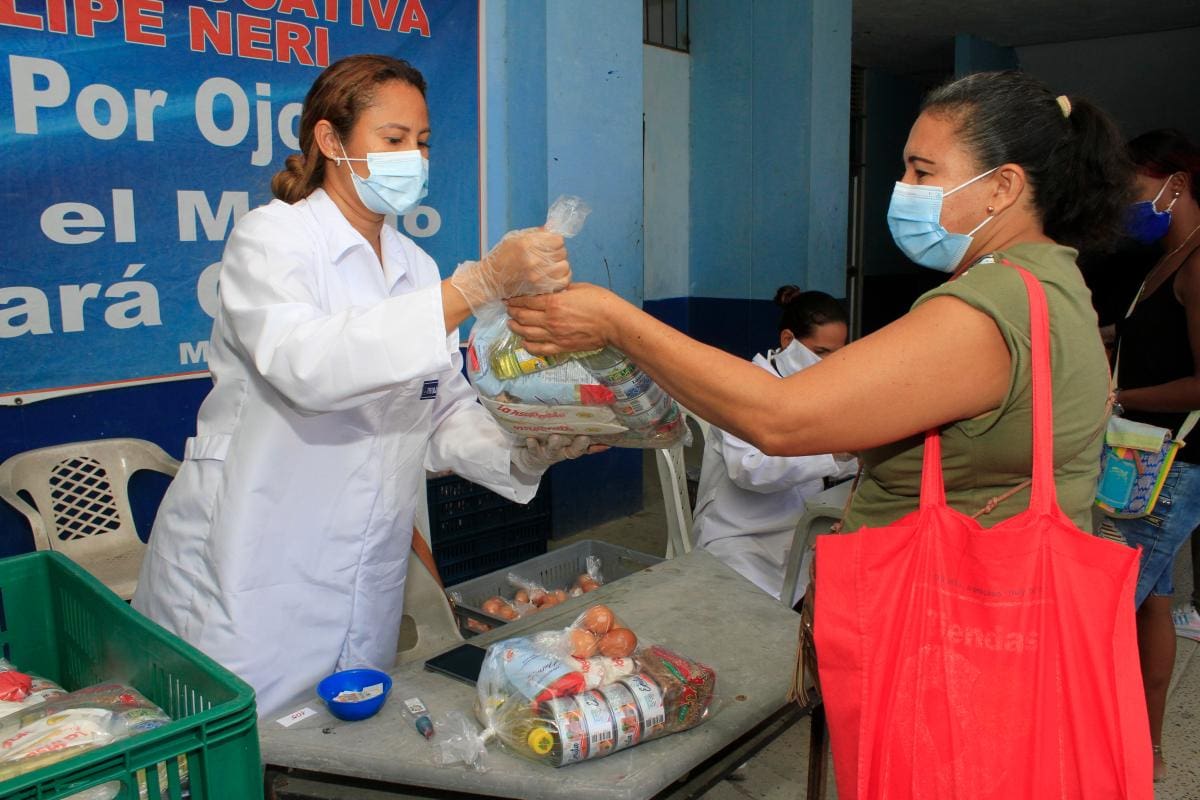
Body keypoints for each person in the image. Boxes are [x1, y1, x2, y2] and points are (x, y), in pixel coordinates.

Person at [133, 55, 592, 717]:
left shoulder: (413, 266)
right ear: (329, 141)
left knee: (338, 742)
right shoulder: (272, 241)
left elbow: (441, 406)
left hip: (364, 564)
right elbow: (309, 365)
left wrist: (528, 443)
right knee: (235, 739)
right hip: (255, 554)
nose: (414, 156)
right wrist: (476, 287)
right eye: (394, 139)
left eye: (423, 142)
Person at [509, 70, 1126, 536]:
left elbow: (780, 418)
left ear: (1002, 186)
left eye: (921, 172)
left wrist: (617, 321)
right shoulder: (1051, 281)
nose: (901, 190)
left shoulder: (991, 306)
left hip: (950, 631)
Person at [1102, 128, 1200, 781]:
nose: (1130, 208)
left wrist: (1119, 396)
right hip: (1143, 459)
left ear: (1177, 184)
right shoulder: (1161, 262)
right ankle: (1149, 751)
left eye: (1136, 192)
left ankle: (1098, 751)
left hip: (1171, 461)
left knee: (1104, 608)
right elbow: (1138, 337)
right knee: (1150, 602)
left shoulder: (1197, 264)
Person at [691, 287, 856, 606]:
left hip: (794, 534)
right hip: (739, 537)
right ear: (787, 340)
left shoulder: (815, 392)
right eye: (820, 352)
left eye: (838, 353)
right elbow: (750, 471)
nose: (831, 364)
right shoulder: (744, 390)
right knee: (754, 620)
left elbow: (840, 460)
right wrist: (833, 456)